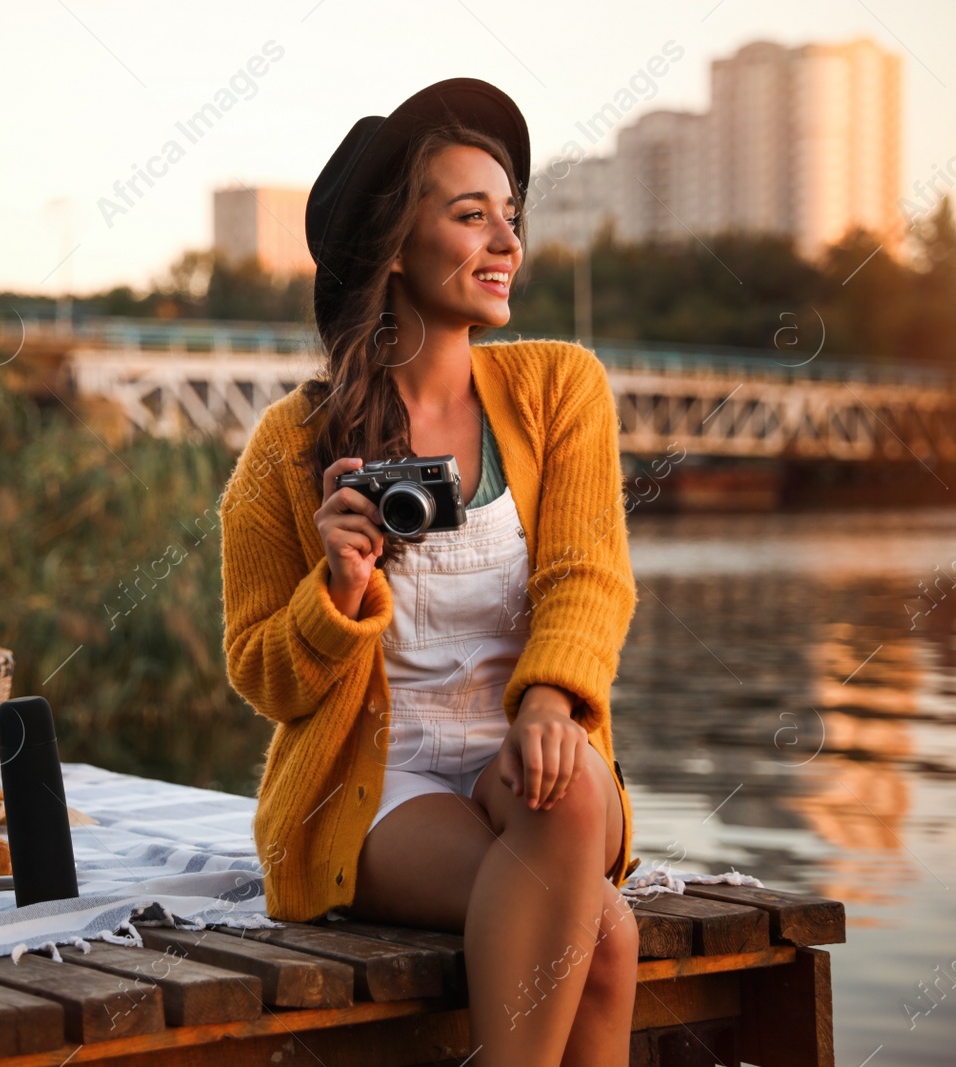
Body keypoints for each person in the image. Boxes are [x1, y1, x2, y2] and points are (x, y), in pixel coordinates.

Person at [219, 78, 640, 1066]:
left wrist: (547, 698)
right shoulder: (285, 447)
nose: (507, 243)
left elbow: (589, 578)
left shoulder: (558, 386)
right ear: (398, 248)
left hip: (529, 753)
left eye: (510, 217)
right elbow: (259, 671)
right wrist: (337, 589)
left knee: (569, 785)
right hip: (378, 787)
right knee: (605, 938)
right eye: (469, 215)